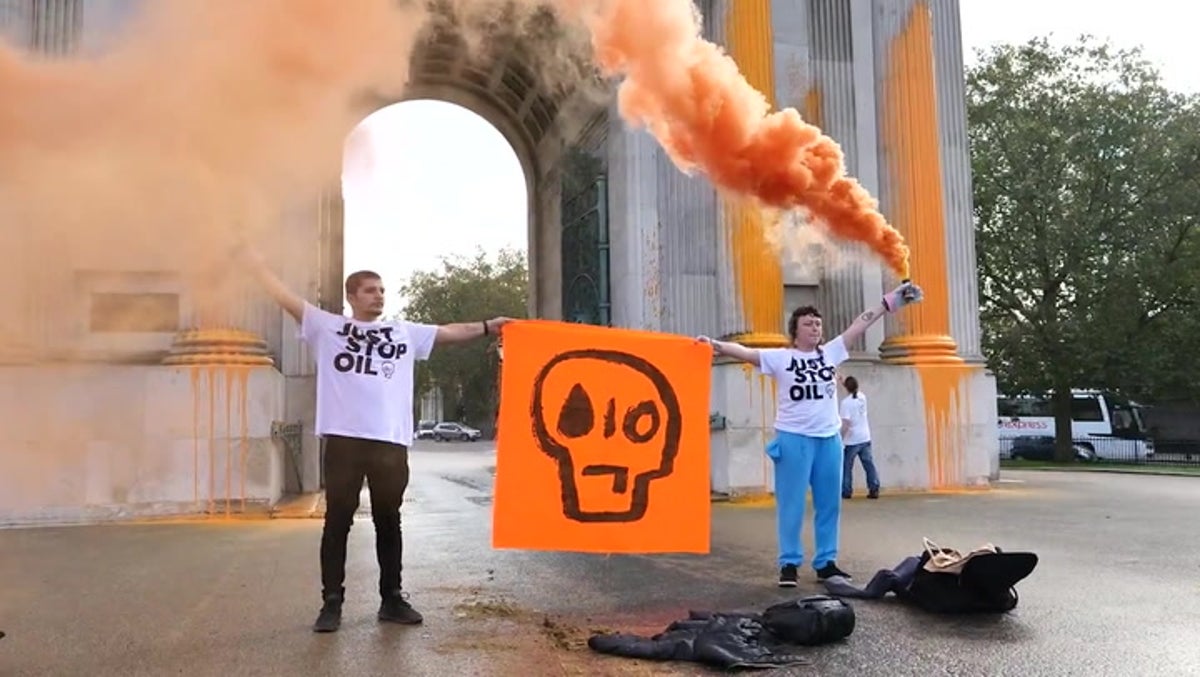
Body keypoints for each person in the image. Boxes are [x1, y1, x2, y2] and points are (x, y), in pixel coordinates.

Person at [239, 244, 512, 633]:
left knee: (389, 520)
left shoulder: (403, 331)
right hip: (345, 442)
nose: (378, 295)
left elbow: (451, 332)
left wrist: (489, 325)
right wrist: (259, 269)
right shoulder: (328, 327)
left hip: (389, 443)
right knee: (337, 522)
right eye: (369, 290)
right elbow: (287, 300)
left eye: (382, 289)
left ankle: (392, 599)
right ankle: (331, 604)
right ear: (351, 297)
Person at [698, 281, 923, 587]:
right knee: (791, 504)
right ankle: (789, 564)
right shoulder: (781, 358)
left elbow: (860, 324)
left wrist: (890, 302)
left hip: (828, 440)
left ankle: (826, 563)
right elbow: (747, 353)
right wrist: (716, 345)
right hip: (793, 439)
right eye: (808, 324)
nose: (815, 328)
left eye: (818, 324)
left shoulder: (830, 353)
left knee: (829, 503)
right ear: (796, 330)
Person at [839, 375, 880, 500]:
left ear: (847, 388)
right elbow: (853, 390)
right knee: (868, 464)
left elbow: (846, 423)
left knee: (847, 466)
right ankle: (874, 487)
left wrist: (840, 438)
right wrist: (843, 382)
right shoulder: (862, 397)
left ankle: (846, 490)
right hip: (865, 436)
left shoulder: (845, 403)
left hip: (852, 439)